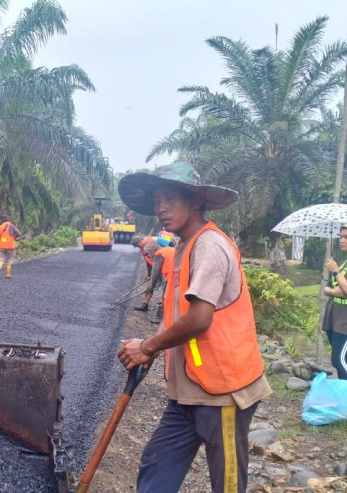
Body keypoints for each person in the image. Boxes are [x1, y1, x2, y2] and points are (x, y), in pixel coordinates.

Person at [116, 162, 271, 493]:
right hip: (188, 391)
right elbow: (175, 313)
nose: (161, 208)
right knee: (157, 466)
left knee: (227, 483)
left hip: (224, 389)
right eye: (158, 200)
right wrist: (154, 345)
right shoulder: (183, 246)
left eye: (170, 198)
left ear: (196, 201)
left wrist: (148, 346)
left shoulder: (210, 245)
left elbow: (200, 317)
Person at [322, 224, 347, 380]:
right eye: (341, 236)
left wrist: (336, 271)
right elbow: (328, 287)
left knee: (339, 360)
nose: (342, 240)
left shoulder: (339, 266)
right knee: (340, 360)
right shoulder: (344, 262)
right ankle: (343, 396)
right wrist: (334, 289)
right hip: (335, 317)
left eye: (346, 237)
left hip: (345, 321)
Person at [136, 236, 177, 317]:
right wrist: (149, 275)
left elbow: (154, 277)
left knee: (166, 293)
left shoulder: (158, 255)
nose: (148, 255)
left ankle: (163, 316)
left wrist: (150, 288)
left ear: (152, 251)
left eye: (148, 253)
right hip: (179, 271)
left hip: (172, 274)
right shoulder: (166, 250)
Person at [0, 214, 21, 279]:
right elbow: (19, 233)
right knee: (10, 260)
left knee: (0, 259)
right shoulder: (11, 226)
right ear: (8, 219)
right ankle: (7, 275)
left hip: (1, 246)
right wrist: (14, 238)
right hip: (10, 246)